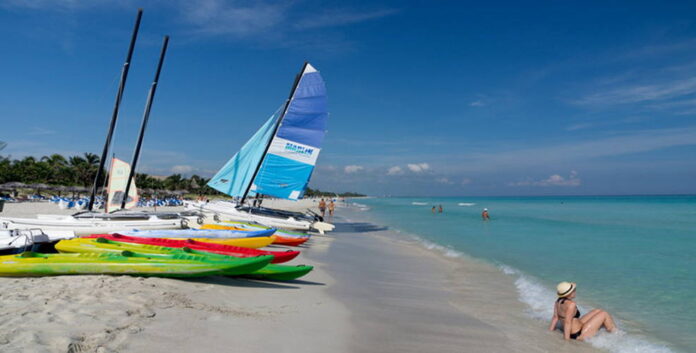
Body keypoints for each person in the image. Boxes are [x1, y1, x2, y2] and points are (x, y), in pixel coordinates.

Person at [549, 282, 616, 341]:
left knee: (598, 311)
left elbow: (555, 318)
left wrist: (550, 331)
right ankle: (615, 334)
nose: (575, 291)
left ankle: (607, 330)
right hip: (578, 334)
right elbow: (567, 322)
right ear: (568, 294)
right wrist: (566, 340)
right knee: (604, 314)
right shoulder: (571, 305)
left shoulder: (558, 302)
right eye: (573, 290)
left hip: (577, 327)